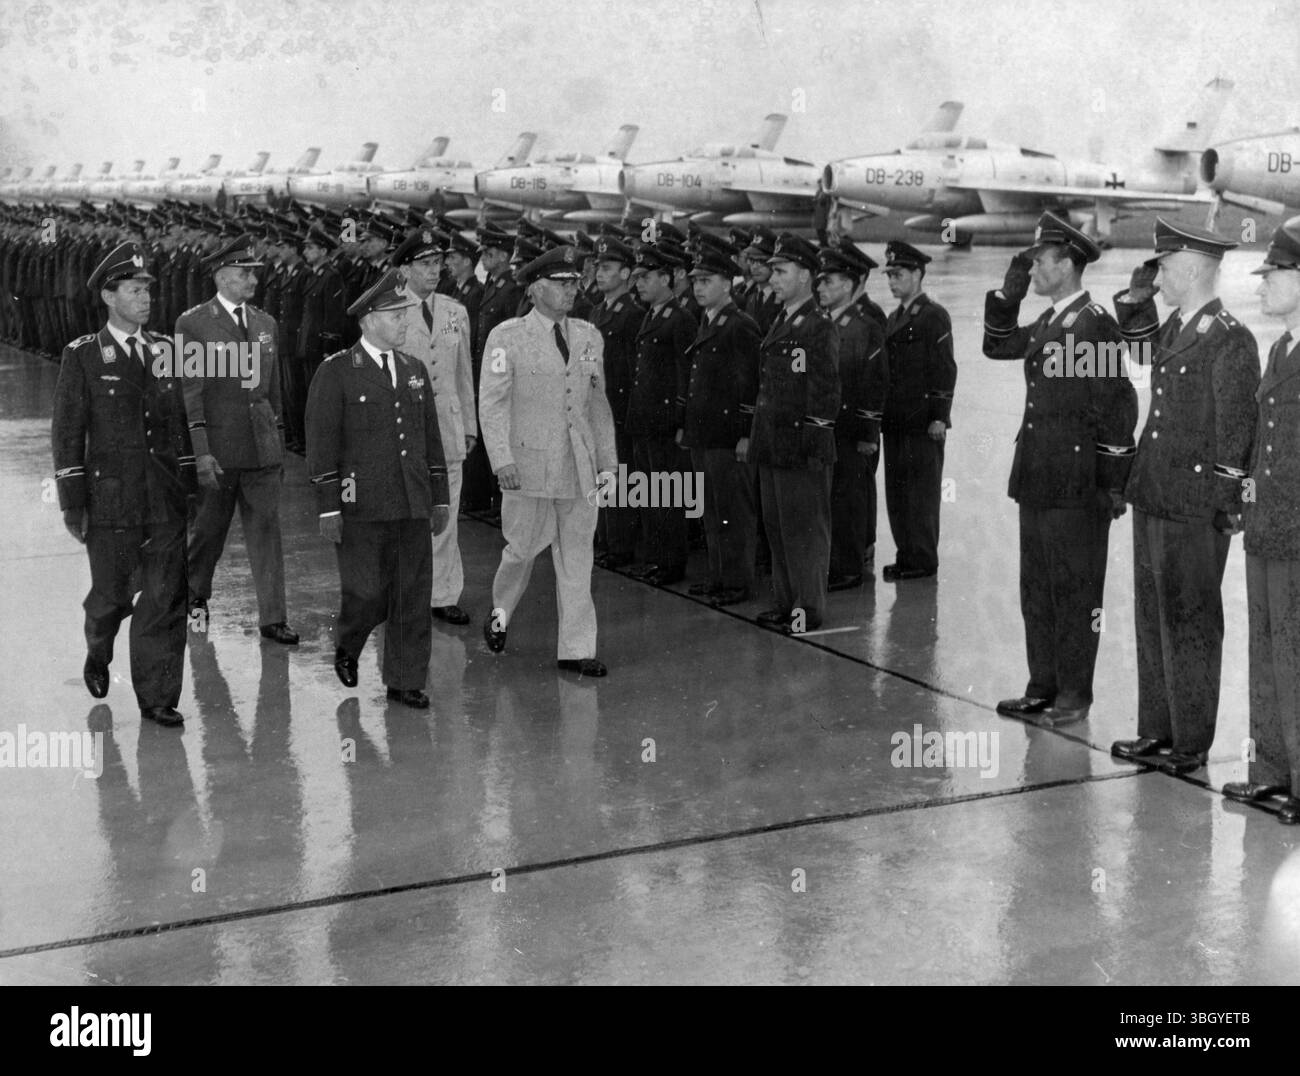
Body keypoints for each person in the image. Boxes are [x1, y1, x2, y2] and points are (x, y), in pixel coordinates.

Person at [1110, 218, 1260, 776]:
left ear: (1194, 268)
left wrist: (1226, 504)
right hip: (1154, 492)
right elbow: (1137, 362)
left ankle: (1190, 742)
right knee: (1152, 617)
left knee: (1190, 620)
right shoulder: (1175, 327)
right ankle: (1158, 731)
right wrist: (1135, 298)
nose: (1159, 275)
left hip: (1196, 505)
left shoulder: (1230, 337)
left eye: (1166, 267)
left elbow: (1237, 431)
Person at [982, 212, 1138, 728]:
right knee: (1037, 589)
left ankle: (1073, 694)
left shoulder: (1094, 323)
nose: (1034, 272)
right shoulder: (1051, 321)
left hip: (1077, 487)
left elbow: (1117, 406)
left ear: (1069, 264)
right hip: (1039, 479)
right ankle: (1041, 685)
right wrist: (1007, 298)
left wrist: (1113, 485)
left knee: (1075, 593)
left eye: (1040, 263)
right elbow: (998, 344)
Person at [51, 242, 196, 727]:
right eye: (134, 290)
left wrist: (189, 486)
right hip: (111, 499)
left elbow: (178, 424)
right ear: (109, 297)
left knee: (164, 598)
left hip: (163, 500)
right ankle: (98, 646)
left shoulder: (165, 350)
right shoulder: (85, 356)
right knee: (112, 597)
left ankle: (157, 697)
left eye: (147, 290)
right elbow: (68, 432)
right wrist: (74, 503)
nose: (145, 298)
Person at [304, 268, 450, 709]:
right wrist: (329, 507)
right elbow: (321, 443)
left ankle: (405, 680)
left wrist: (439, 496)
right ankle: (349, 641)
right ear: (369, 321)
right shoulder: (337, 371)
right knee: (366, 593)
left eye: (405, 316)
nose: (405, 323)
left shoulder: (413, 369)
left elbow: (429, 437)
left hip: (410, 500)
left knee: (411, 593)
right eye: (396, 316)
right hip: (360, 503)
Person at [478, 245, 618, 677]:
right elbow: (493, 404)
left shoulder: (589, 336)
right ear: (537, 289)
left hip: (579, 467)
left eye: (575, 282)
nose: (573, 290)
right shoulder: (507, 337)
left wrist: (608, 463)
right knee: (520, 553)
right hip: (528, 468)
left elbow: (597, 404)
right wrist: (501, 459)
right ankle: (500, 614)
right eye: (562, 283)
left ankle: (576, 649)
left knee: (577, 558)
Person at [178, 235, 299, 645]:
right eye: (245, 273)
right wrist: (201, 454)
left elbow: (274, 393)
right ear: (223, 276)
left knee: (267, 533)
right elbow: (191, 394)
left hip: (261, 450)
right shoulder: (192, 324)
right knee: (208, 534)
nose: (252, 280)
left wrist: (277, 444)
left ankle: (273, 618)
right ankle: (195, 598)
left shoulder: (266, 324)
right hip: (219, 452)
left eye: (254, 273)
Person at [1224, 221, 1300, 822]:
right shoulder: (1280, 348)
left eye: (1272, 275)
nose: (1262, 286)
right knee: (1268, 655)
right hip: (1268, 527)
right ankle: (1272, 771)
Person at [748, 233, 841, 633]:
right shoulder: (784, 320)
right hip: (772, 443)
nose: (773, 279)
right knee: (779, 530)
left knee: (804, 532)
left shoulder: (816, 328)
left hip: (801, 447)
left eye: (782, 271)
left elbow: (824, 391)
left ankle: (808, 611)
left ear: (805, 276)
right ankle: (786, 604)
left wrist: (812, 442)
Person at [391, 227, 477, 626]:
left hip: (448, 428)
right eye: (424, 264)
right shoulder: (389, 310)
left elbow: (464, 374)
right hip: (405, 429)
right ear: (405, 268)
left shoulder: (456, 312)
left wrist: (470, 426)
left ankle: (443, 595)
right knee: (407, 516)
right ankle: (404, 591)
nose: (433, 271)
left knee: (446, 513)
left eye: (437, 263)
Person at [680, 246, 762, 605]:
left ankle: (737, 582)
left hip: (728, 437)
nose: (698, 288)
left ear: (728, 283)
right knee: (710, 510)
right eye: (696, 281)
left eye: (707, 281)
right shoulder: (709, 320)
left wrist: (746, 432)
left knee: (733, 513)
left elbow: (751, 383)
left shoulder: (740, 325)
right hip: (705, 434)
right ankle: (717, 576)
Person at [881, 240, 955, 581]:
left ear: (917, 274)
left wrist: (940, 415)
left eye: (898, 274)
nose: (892, 281)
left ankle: (923, 559)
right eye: (890, 275)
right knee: (898, 494)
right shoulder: (894, 317)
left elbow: (944, 368)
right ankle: (905, 554)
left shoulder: (932, 315)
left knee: (920, 496)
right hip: (896, 421)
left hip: (923, 423)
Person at [817, 241, 888, 591]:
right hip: (828, 428)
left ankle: (848, 568)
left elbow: (874, 382)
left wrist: (868, 432)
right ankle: (836, 562)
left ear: (848, 284)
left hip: (850, 429)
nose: (821, 288)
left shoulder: (864, 325)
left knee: (849, 501)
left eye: (828, 282)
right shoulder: (828, 322)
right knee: (832, 498)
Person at [627, 243, 696, 585]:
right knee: (650, 493)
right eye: (637, 277)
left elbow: (686, 375)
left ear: (666, 279)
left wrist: (682, 421)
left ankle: (671, 563)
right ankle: (656, 558)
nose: (639, 283)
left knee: (669, 495)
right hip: (646, 421)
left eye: (647, 277)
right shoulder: (651, 315)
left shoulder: (680, 318)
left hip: (666, 424)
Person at [588, 235, 643, 569]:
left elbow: (631, 369)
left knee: (618, 476)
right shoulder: (597, 311)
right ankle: (605, 539)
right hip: (596, 408)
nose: (599, 274)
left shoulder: (631, 314)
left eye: (607, 268)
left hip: (617, 409)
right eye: (598, 268)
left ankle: (620, 545)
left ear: (625, 274)